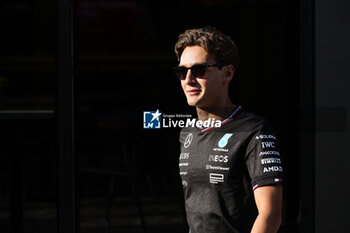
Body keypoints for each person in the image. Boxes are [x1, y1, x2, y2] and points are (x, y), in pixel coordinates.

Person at [174, 27, 284, 233]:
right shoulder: (187, 132)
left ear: (227, 73)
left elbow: (271, 215)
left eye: (199, 70)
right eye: (182, 71)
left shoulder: (255, 131)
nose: (188, 79)